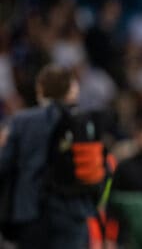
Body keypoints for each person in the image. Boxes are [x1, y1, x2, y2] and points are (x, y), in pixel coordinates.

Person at [0, 64, 103, 248]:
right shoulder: (82, 120)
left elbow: (4, 164)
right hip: (73, 210)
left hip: (30, 211)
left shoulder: (22, 121)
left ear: (40, 88)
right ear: (72, 88)